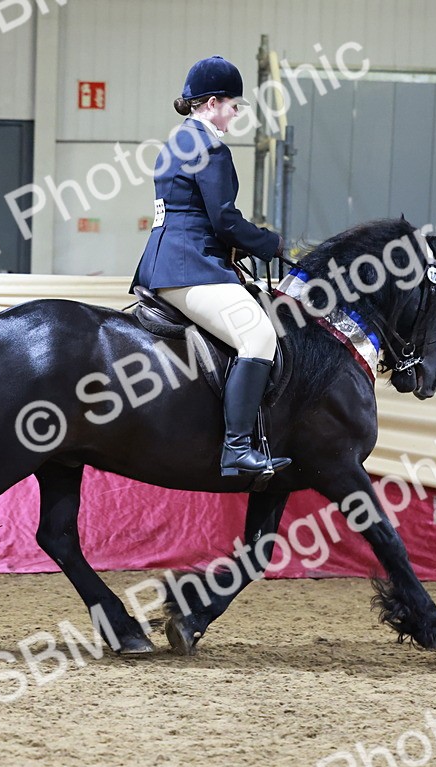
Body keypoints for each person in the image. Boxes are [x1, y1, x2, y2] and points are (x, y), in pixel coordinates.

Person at [132, 55, 291, 478]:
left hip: (164, 262)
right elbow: (224, 219)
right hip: (190, 267)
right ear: (212, 102)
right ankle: (236, 449)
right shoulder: (209, 148)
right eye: (233, 105)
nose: (236, 114)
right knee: (258, 337)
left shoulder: (176, 142)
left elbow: (195, 214)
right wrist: (271, 244)